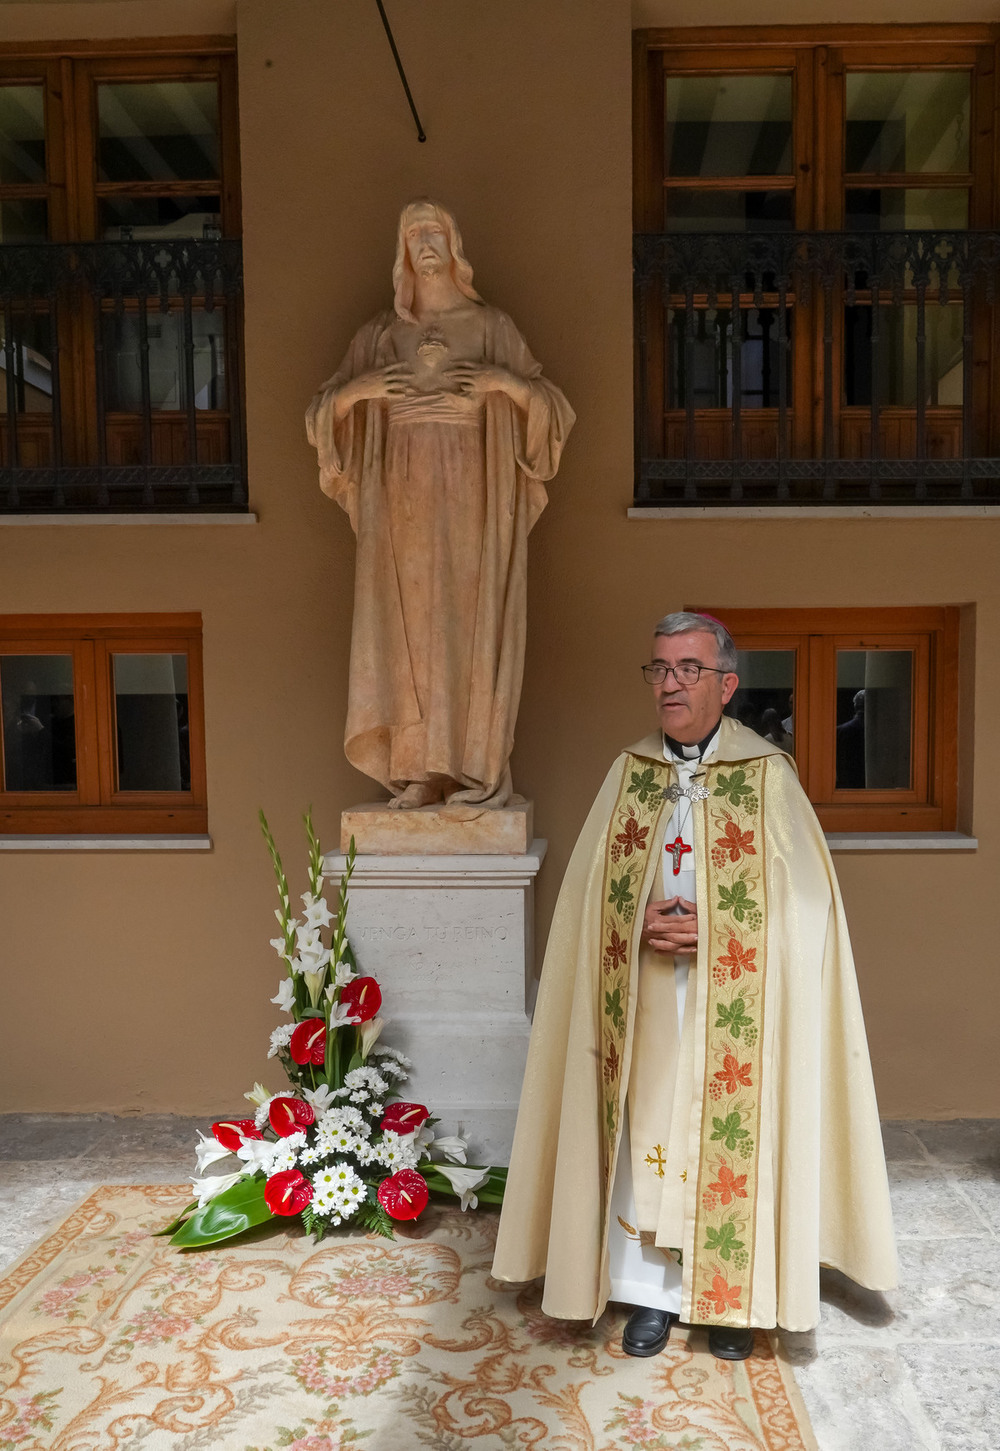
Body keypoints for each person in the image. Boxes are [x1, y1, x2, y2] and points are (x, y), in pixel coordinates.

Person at [492, 611, 896, 1360]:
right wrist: (632, 913)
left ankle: (732, 1302)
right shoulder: (630, 772)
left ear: (727, 684)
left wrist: (717, 929)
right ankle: (650, 1294)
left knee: (727, 1132)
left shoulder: (767, 775)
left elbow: (807, 909)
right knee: (645, 1138)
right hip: (647, 998)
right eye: (659, 668)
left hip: (731, 1007)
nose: (669, 684)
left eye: (687, 669)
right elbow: (589, 897)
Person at [306, 199, 575, 810]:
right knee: (405, 632)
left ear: (454, 246)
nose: (425, 243)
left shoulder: (492, 328)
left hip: (472, 503)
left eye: (434, 231)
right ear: (401, 252)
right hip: (398, 505)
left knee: (465, 625)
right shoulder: (378, 336)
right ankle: (420, 770)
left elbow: (553, 407)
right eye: (413, 234)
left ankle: (470, 768)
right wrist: (357, 391)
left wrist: (503, 384)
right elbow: (320, 413)